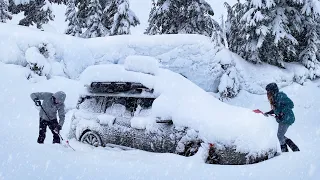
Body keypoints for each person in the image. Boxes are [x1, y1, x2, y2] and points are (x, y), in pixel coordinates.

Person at [264, 83, 300, 152]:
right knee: (280, 135)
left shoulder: (280, 96)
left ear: (273, 91)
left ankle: (285, 151)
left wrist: (282, 113)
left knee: (280, 135)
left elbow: (291, 104)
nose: (267, 94)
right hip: (284, 118)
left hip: (287, 118)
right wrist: (269, 113)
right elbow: (277, 109)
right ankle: (294, 148)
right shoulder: (275, 98)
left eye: (269, 92)